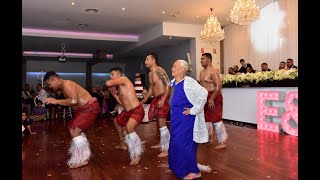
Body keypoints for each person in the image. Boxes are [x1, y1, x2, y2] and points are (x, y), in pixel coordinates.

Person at [43, 71, 100, 168]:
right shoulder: (65, 86)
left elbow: (74, 101)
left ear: (55, 79)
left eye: (50, 84)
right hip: (83, 109)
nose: (50, 87)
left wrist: (56, 101)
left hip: (89, 108)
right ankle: (82, 155)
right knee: (73, 129)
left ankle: (83, 158)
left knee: (74, 130)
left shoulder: (67, 84)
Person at [169, 60, 211, 180]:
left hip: (186, 119)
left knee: (185, 144)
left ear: (182, 69)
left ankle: (193, 171)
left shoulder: (189, 81)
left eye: (174, 66)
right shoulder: (174, 83)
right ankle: (177, 167)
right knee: (176, 142)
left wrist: (193, 110)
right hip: (176, 118)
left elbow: (204, 93)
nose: (172, 68)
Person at [106, 67, 145, 165]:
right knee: (116, 121)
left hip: (137, 110)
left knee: (129, 127)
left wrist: (111, 83)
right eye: (110, 75)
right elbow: (122, 103)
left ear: (119, 75)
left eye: (112, 74)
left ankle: (137, 154)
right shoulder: (120, 87)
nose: (111, 76)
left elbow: (108, 83)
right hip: (127, 112)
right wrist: (115, 95)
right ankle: (122, 143)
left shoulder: (124, 79)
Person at [140, 52, 171, 158]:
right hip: (156, 99)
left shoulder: (159, 70)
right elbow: (151, 88)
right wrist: (145, 98)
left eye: (147, 59)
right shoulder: (150, 74)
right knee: (158, 124)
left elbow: (168, 85)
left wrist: (163, 99)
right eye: (145, 59)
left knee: (162, 124)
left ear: (154, 60)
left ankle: (166, 148)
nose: (145, 61)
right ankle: (161, 143)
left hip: (163, 97)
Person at [200, 53, 228, 149]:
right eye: (201, 59)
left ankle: (223, 141)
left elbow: (218, 86)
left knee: (216, 119)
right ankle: (209, 137)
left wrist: (212, 98)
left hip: (214, 96)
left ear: (209, 60)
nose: (201, 61)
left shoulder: (213, 71)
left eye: (203, 59)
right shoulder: (202, 72)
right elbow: (201, 85)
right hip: (205, 96)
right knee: (206, 119)